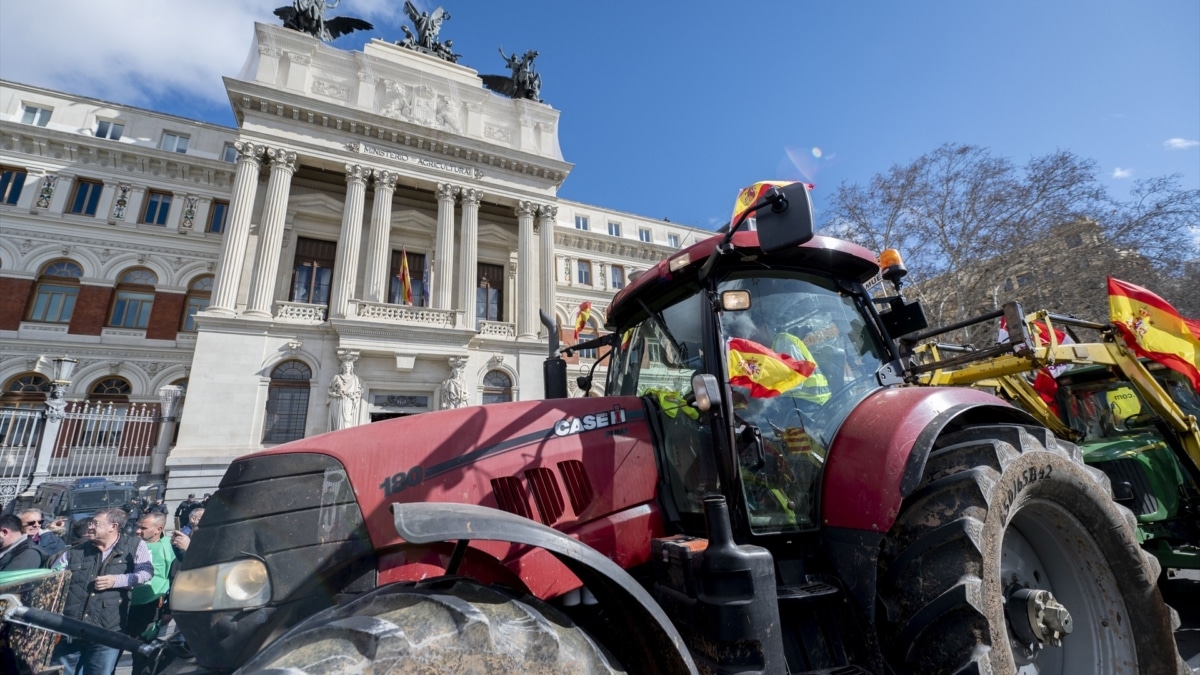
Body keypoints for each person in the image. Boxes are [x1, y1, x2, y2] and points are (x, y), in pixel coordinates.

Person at [49, 508, 153, 675]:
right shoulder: (74, 552)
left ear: (113, 526)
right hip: (72, 627)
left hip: (107, 629)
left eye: (95, 523)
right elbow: (53, 579)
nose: (90, 527)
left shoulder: (135, 546)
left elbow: (146, 573)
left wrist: (117, 580)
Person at [125, 513, 176, 675]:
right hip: (126, 604)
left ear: (158, 529)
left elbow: (175, 577)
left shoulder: (168, 546)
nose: (138, 531)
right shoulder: (131, 545)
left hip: (151, 604)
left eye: (143, 528)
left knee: (142, 651)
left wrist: (168, 610)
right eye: (138, 527)